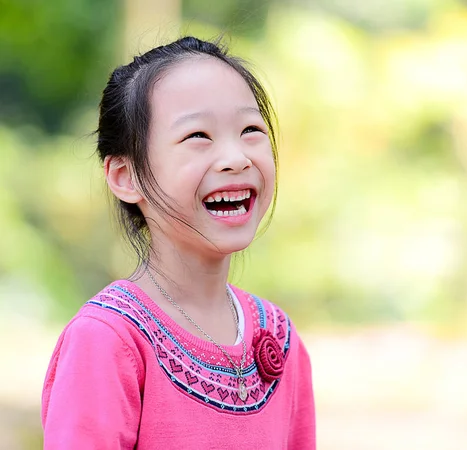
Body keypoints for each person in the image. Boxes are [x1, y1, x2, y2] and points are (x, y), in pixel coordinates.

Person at [41, 36, 316, 449]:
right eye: (198, 136)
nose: (236, 157)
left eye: (250, 130)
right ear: (125, 176)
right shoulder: (109, 339)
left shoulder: (278, 335)